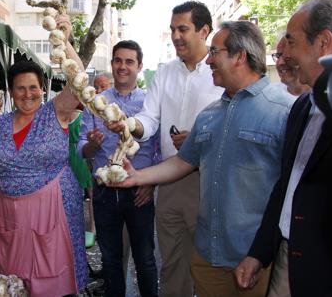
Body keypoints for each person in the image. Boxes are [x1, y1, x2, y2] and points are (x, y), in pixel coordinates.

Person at [108, 21, 294, 297]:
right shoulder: (209, 115)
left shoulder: (285, 110)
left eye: (215, 52)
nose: (209, 60)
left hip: (256, 257)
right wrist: (138, 176)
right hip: (208, 255)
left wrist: (260, 253)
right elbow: (183, 162)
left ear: (239, 56)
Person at [234, 0, 332, 297]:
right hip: (288, 264)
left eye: (291, 41)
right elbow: (288, 185)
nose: (284, 53)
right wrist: (259, 253)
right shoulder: (301, 106)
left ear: (324, 42)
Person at [107, 1, 224, 297]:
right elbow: (149, 118)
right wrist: (130, 124)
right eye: (173, 29)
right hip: (169, 181)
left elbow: (230, 122)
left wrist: (201, 139)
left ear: (204, 31)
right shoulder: (165, 73)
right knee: (172, 262)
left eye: (183, 29)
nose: (175, 36)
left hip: (209, 180)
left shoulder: (220, 70)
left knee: (210, 265)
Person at [0, 14, 88, 296]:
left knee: (53, 274)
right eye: (20, 88)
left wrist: (65, 39)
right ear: (11, 91)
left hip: (52, 207)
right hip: (9, 211)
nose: (28, 94)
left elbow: (79, 80)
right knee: (14, 279)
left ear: (43, 89)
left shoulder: (56, 111)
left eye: (33, 88)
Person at [79, 40, 160, 297]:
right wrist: (92, 145)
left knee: (145, 260)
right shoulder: (96, 103)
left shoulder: (150, 103)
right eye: (118, 60)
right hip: (105, 192)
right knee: (111, 261)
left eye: (129, 61)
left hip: (139, 192)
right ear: (112, 64)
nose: (122, 66)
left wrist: (150, 182)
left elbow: (160, 148)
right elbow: (82, 148)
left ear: (139, 66)